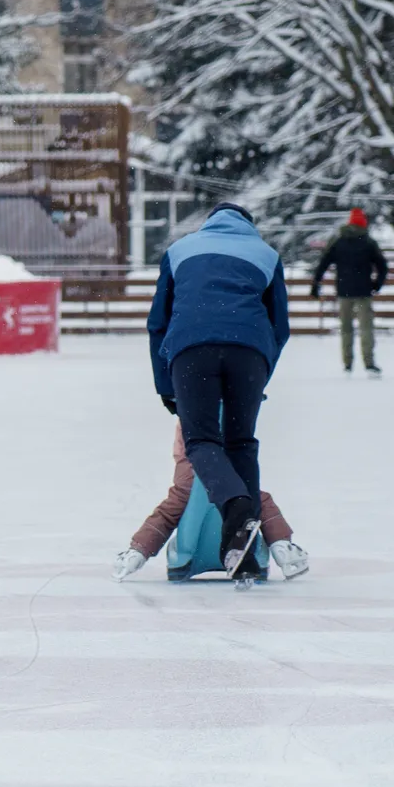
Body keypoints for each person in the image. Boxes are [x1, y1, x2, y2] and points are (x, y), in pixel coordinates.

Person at [146, 203, 291, 579]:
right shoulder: (266, 254)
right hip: (249, 351)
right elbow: (280, 327)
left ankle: (235, 503)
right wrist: (260, 374)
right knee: (242, 443)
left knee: (201, 440)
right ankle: (244, 554)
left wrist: (166, 386)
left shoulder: (180, 250)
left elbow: (158, 323)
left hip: (192, 348)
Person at [113, 424, 309, 581]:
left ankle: (138, 551)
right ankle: (282, 547)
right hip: (205, 464)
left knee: (179, 501)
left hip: (199, 461)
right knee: (251, 497)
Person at [311, 207, 389, 376]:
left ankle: (347, 364)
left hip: (344, 291)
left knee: (346, 329)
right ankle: (369, 363)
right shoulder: (368, 242)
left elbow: (323, 263)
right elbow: (382, 266)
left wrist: (316, 284)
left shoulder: (339, 241)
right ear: (363, 223)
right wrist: (377, 284)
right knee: (366, 329)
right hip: (363, 291)